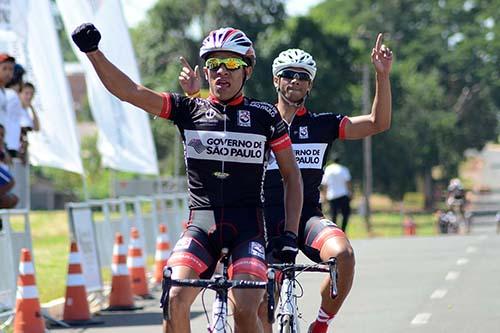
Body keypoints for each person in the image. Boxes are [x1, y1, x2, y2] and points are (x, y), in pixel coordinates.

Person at [71, 24, 303, 333]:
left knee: (247, 311)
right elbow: (130, 92)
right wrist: (93, 53)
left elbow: (291, 176)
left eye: (231, 63)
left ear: (247, 70)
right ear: (206, 71)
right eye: (214, 64)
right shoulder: (189, 109)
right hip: (201, 229)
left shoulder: (265, 116)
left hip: (248, 231)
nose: (222, 71)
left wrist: (288, 235)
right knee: (175, 299)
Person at [179, 33, 393, 333]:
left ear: (311, 84)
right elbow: (209, 125)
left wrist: (382, 76)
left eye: (303, 77)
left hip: (305, 219)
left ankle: (321, 324)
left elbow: (377, 123)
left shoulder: (323, 124)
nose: (295, 81)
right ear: (275, 81)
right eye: (288, 75)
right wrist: (193, 96)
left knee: (343, 255)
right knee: (258, 314)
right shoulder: (257, 118)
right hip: (257, 223)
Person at [322, 157, 352, 232]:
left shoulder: (328, 169)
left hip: (332, 195)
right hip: (343, 194)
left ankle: (335, 231)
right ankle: (343, 230)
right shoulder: (343, 169)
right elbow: (348, 182)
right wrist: (350, 192)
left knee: (333, 215)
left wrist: (324, 196)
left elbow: (325, 184)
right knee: (345, 214)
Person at [18, 82, 40, 164]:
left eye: (32, 94)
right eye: (26, 93)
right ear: (20, 93)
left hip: (23, 151)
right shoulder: (16, 109)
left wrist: (32, 108)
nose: (29, 97)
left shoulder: (26, 112)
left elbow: (37, 128)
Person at [0, 124, 18, 209]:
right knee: (11, 183)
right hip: (4, 183)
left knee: (14, 199)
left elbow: (9, 162)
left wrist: (2, 147)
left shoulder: (4, 147)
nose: (0, 137)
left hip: (2, 182)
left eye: (2, 135)